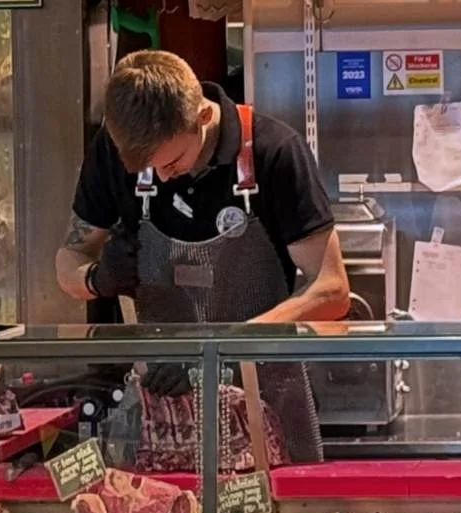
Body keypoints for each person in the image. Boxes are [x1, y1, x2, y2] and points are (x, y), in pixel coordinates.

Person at [56, 50, 348, 460]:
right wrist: (95, 278)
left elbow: (332, 291)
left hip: (262, 410)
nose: (160, 176)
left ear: (203, 118)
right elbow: (67, 261)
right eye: (147, 168)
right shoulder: (114, 150)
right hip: (163, 416)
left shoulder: (274, 151)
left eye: (172, 162)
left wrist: (219, 352)